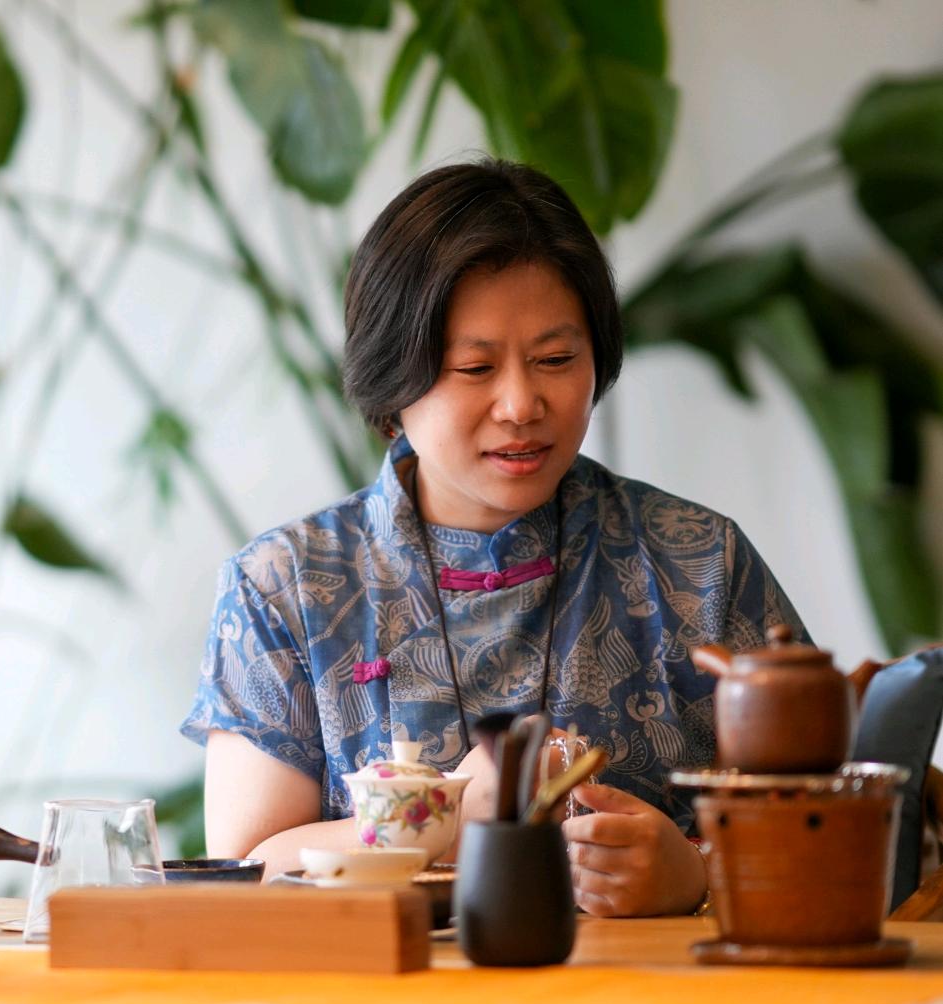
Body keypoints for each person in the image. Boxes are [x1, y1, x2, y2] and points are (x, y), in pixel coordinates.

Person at [181, 159, 809, 917]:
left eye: (554, 359)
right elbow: (246, 873)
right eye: (474, 367)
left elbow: (829, 840)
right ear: (393, 382)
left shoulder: (697, 562)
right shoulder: (285, 588)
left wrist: (700, 875)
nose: (521, 403)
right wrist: (440, 822)